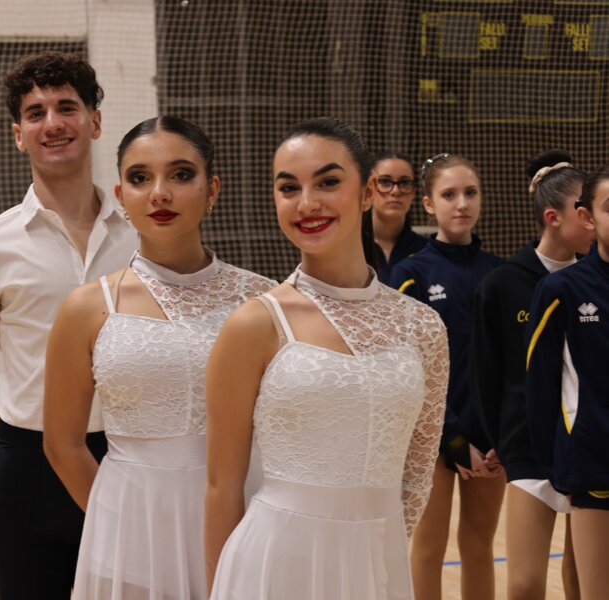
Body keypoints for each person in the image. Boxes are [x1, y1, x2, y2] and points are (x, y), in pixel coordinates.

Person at [204, 117, 448, 599]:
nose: (307, 203)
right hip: (273, 567)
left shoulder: (423, 326)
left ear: (367, 193)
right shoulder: (253, 324)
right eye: (288, 188)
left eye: (328, 182)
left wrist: (375, 557)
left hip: (378, 565)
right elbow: (221, 488)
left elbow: (418, 472)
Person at [43, 115, 275, 599]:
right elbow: (62, 444)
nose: (160, 193)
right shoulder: (86, 307)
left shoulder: (265, 300)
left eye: (181, 175)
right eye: (140, 178)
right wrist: (115, 523)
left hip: (245, 512)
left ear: (212, 190)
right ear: (121, 195)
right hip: (131, 526)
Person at [0, 51, 138, 599]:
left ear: (94, 121)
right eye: (35, 113)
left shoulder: (143, 239)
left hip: (132, 460)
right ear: (19, 135)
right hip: (28, 474)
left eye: (66, 108)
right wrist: (34, 453)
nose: (52, 123)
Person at [471, 150, 588, 600]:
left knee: (583, 581)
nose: (593, 221)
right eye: (583, 211)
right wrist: (497, 437)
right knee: (523, 585)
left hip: (589, 447)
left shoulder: (598, 281)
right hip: (527, 448)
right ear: (553, 218)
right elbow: (486, 371)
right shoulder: (501, 284)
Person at [391, 153, 505, 599]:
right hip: (432, 436)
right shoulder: (410, 274)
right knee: (428, 548)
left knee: (479, 546)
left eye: (470, 193)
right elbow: (409, 367)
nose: (462, 204)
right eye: (449, 194)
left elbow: (507, 365)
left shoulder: (500, 273)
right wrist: (452, 439)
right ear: (428, 204)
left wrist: (499, 435)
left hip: (490, 441)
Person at [526, 164, 609, 600]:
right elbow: (540, 386)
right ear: (587, 217)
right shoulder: (562, 290)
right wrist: (562, 466)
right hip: (596, 469)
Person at [365, 151, 428, 282]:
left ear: (414, 192)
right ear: (369, 189)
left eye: (404, 183)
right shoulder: (351, 248)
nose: (395, 191)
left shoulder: (426, 251)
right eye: (385, 181)